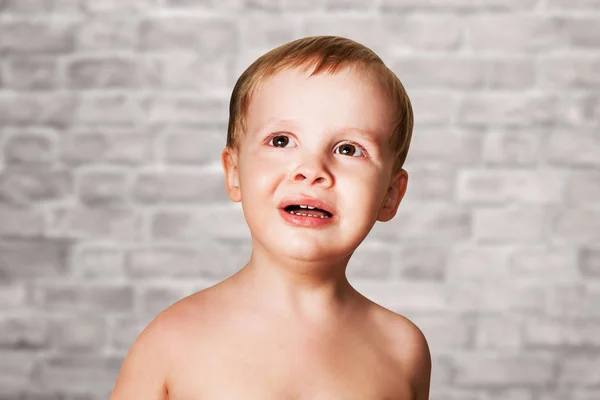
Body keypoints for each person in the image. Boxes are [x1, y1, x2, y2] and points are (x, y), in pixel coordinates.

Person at [109, 35, 431, 399]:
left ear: (390, 195)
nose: (312, 170)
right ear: (234, 173)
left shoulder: (403, 349)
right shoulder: (172, 341)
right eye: (281, 141)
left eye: (348, 149)